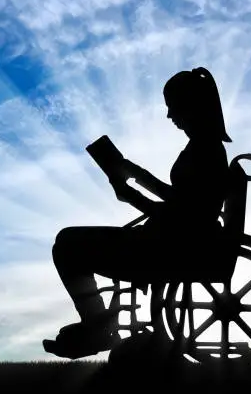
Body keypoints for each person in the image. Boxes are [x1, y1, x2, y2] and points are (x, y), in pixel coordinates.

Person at [42, 67, 232, 360]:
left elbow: (181, 217)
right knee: (66, 241)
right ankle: (97, 325)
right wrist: (135, 172)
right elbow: (179, 202)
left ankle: (97, 325)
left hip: (165, 249)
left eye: (173, 107)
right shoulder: (206, 148)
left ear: (190, 106)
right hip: (169, 241)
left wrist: (131, 196)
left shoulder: (205, 150)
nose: (169, 115)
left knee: (67, 243)